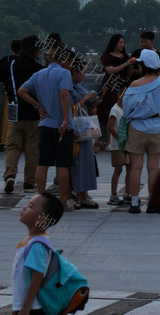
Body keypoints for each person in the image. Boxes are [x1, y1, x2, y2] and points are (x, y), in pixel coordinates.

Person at [17, 48, 77, 210]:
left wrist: (37, 106)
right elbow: (64, 95)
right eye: (70, 62)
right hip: (62, 127)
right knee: (63, 165)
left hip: (45, 125)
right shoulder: (64, 74)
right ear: (64, 60)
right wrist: (65, 120)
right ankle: (64, 201)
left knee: (42, 163)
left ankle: (40, 201)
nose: (71, 66)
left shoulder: (39, 74)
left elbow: (21, 91)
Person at [123, 49, 160, 213]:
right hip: (158, 127)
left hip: (137, 127)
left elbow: (126, 110)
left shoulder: (134, 85)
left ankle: (134, 203)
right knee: (153, 167)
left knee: (136, 167)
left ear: (143, 65)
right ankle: (153, 202)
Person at [11, 192, 64, 315]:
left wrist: (25, 308)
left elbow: (37, 276)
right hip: (27, 305)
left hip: (34, 308)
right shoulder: (31, 241)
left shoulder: (37, 245)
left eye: (30, 206)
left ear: (41, 219)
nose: (24, 208)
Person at [2, 36, 43, 194]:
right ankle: (29, 181)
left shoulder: (11, 65)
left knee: (12, 146)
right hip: (33, 114)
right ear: (33, 51)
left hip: (15, 112)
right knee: (32, 149)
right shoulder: (39, 69)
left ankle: (10, 175)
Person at [68, 63, 100, 209]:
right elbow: (71, 108)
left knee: (87, 161)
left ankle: (85, 193)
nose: (84, 76)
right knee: (78, 162)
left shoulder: (80, 85)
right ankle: (79, 193)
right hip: (76, 128)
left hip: (85, 126)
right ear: (74, 71)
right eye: (83, 72)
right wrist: (86, 98)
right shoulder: (68, 87)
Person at [96, 33, 131, 134]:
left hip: (123, 87)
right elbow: (110, 70)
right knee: (108, 111)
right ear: (114, 43)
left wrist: (131, 65)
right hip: (111, 87)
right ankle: (106, 137)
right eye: (120, 42)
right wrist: (126, 64)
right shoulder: (107, 56)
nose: (122, 45)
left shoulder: (125, 56)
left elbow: (129, 74)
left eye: (123, 43)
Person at [106, 95, 130, 205]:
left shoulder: (127, 108)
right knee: (118, 169)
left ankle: (127, 193)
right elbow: (110, 127)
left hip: (127, 144)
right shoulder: (114, 109)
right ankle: (113, 195)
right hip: (118, 145)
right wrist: (120, 138)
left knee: (129, 169)